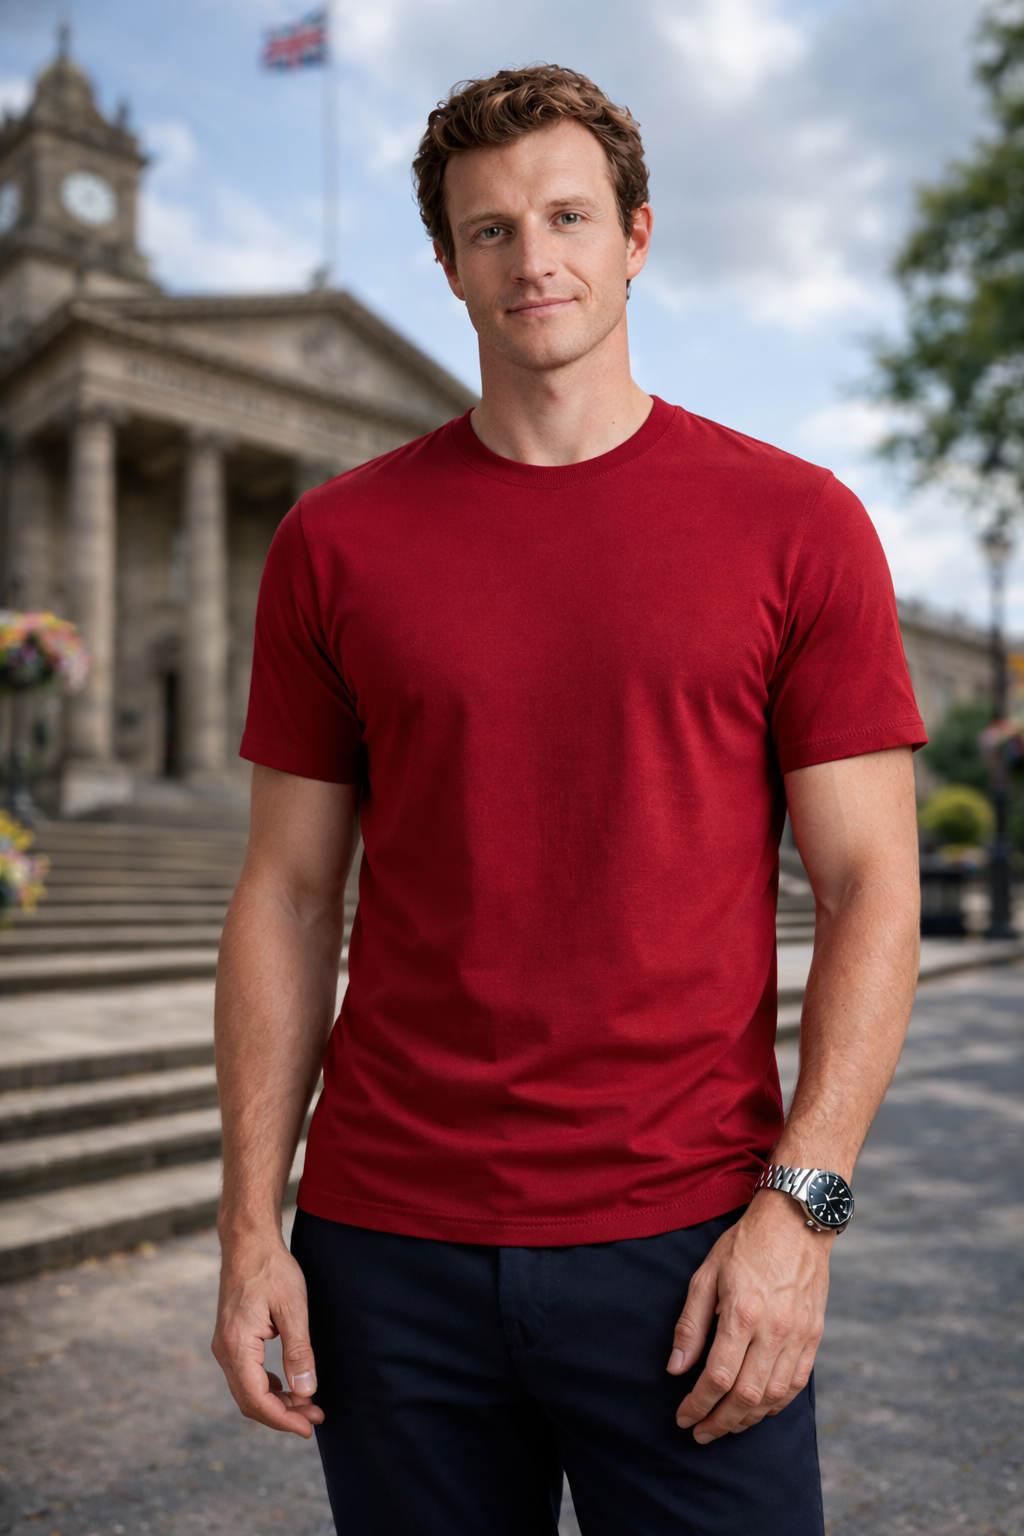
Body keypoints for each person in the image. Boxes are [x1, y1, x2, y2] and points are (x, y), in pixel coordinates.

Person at [212, 64, 925, 1536]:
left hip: (686, 1246)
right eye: (489, 230)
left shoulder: (799, 527)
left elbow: (872, 890)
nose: (533, 259)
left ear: (637, 236)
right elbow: (286, 891)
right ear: (448, 264)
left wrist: (803, 1213)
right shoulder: (334, 545)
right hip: (387, 1244)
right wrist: (244, 1223)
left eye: (567, 216)